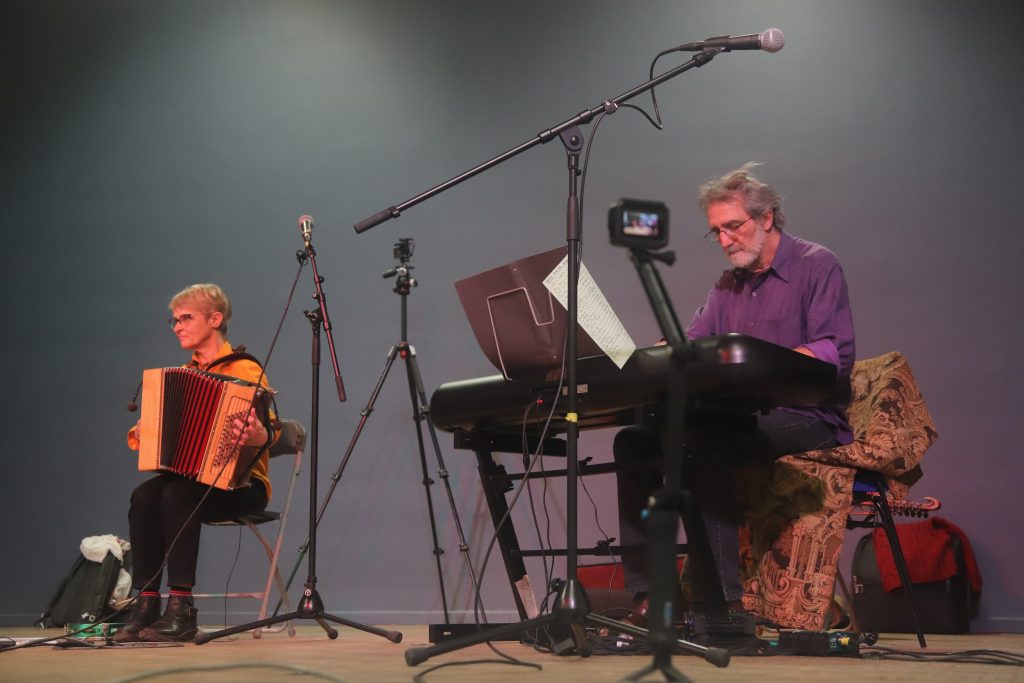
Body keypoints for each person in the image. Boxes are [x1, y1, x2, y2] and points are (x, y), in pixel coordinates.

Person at [614, 163, 855, 623]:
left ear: (766, 218)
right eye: (716, 232)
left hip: (809, 417)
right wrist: (654, 355)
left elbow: (832, 351)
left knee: (706, 441)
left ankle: (721, 603)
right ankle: (650, 597)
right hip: (743, 416)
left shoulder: (816, 264)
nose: (725, 241)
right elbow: (693, 345)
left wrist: (765, 367)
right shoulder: (727, 286)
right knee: (634, 442)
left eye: (733, 227)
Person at [115, 284, 277, 643]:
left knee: (176, 494)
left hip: (243, 487)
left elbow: (272, 432)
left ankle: (182, 608)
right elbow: (156, 440)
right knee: (144, 495)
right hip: (192, 483)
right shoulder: (180, 377)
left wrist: (257, 436)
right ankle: (146, 603)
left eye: (186, 318)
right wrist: (146, 430)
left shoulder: (247, 371)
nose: (177, 326)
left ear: (215, 319)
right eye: (174, 320)